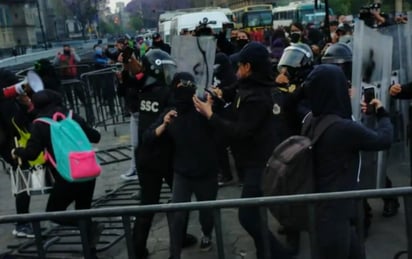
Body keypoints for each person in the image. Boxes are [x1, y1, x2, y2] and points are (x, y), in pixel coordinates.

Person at [194, 42, 293, 259]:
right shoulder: (249, 86)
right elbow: (234, 94)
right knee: (255, 213)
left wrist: (210, 115)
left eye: (239, 66)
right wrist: (219, 96)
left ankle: (280, 254)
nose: (236, 71)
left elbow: (239, 130)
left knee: (247, 217)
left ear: (248, 67)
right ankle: (264, 252)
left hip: (260, 164)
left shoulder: (259, 96)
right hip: (250, 161)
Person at [303, 64, 393, 259]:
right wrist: (381, 112)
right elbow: (383, 139)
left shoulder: (311, 119)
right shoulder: (343, 128)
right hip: (335, 215)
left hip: (323, 210)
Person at [12, 89, 102, 258]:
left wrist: (18, 152)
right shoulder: (71, 115)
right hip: (88, 171)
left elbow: (32, 153)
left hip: (67, 176)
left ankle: (89, 229)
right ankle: (91, 253)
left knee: (55, 212)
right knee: (84, 211)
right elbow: (95, 137)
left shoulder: (40, 124)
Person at [132, 50, 196, 258]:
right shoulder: (167, 94)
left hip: (145, 157)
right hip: (165, 156)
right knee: (180, 199)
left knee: (147, 205)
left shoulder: (142, 91)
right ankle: (180, 237)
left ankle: (137, 249)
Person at [52, 44, 85, 110]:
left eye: (67, 48)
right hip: (64, 75)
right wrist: (58, 55)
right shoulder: (61, 56)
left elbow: (78, 60)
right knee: (68, 91)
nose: (66, 50)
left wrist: (74, 53)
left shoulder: (72, 55)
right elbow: (55, 63)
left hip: (73, 75)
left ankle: (83, 101)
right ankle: (71, 104)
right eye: (65, 48)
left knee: (78, 89)